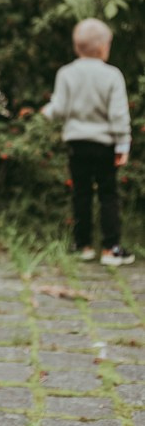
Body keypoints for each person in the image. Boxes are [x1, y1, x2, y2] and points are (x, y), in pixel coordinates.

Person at [41, 17, 133, 266]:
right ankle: (110, 248)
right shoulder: (112, 75)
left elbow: (59, 108)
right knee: (108, 194)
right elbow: (118, 114)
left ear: (76, 47)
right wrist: (123, 144)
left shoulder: (67, 73)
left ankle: (83, 245)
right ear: (104, 47)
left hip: (77, 143)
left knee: (80, 193)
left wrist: (45, 113)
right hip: (105, 144)